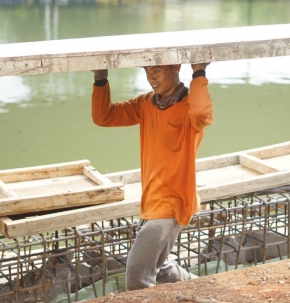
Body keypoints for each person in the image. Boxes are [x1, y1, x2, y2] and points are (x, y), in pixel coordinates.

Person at [91, 62, 213, 290]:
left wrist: (198, 73)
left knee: (137, 277)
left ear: (176, 67)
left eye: (156, 70)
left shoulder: (189, 109)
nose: (150, 77)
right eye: (146, 71)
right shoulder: (145, 103)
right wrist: (100, 78)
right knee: (163, 269)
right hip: (150, 201)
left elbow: (202, 113)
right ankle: (201, 286)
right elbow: (104, 116)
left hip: (172, 202)